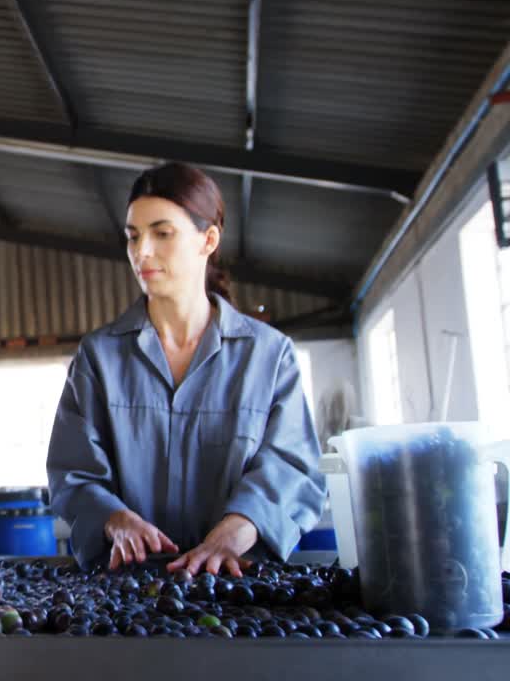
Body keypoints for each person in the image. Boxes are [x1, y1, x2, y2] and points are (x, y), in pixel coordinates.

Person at [46, 162, 325, 578]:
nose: (142, 252)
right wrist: (115, 519)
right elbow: (72, 471)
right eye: (133, 236)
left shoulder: (268, 356)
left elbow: (292, 467)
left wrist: (238, 528)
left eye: (162, 233)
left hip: (237, 589)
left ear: (208, 240)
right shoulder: (99, 358)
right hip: (126, 589)